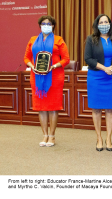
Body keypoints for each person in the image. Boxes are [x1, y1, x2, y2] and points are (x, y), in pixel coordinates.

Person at [24, 15, 70, 147]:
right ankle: (44, 135)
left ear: (53, 26)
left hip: (54, 77)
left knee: (53, 107)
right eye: (44, 23)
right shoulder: (33, 40)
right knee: (41, 108)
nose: (46, 25)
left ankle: (52, 136)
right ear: (40, 25)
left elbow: (66, 59)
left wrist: (53, 66)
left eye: (49, 24)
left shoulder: (58, 40)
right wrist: (32, 66)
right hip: (37, 77)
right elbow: (26, 58)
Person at [84, 14, 112, 152]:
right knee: (96, 109)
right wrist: (104, 68)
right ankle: (99, 138)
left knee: (110, 109)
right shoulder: (91, 39)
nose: (104, 24)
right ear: (97, 24)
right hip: (95, 77)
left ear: (110, 24)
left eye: (106, 22)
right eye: (101, 22)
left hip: (111, 77)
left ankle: (108, 138)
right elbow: (87, 59)